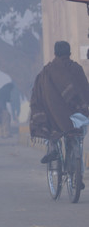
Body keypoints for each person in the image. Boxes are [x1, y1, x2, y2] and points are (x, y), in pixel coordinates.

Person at [30, 41, 89, 192]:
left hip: (54, 119)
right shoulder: (76, 69)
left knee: (53, 129)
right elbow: (85, 91)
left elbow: (39, 96)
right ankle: (77, 174)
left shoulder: (46, 72)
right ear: (69, 53)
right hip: (76, 117)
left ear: (55, 53)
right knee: (75, 139)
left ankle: (52, 149)